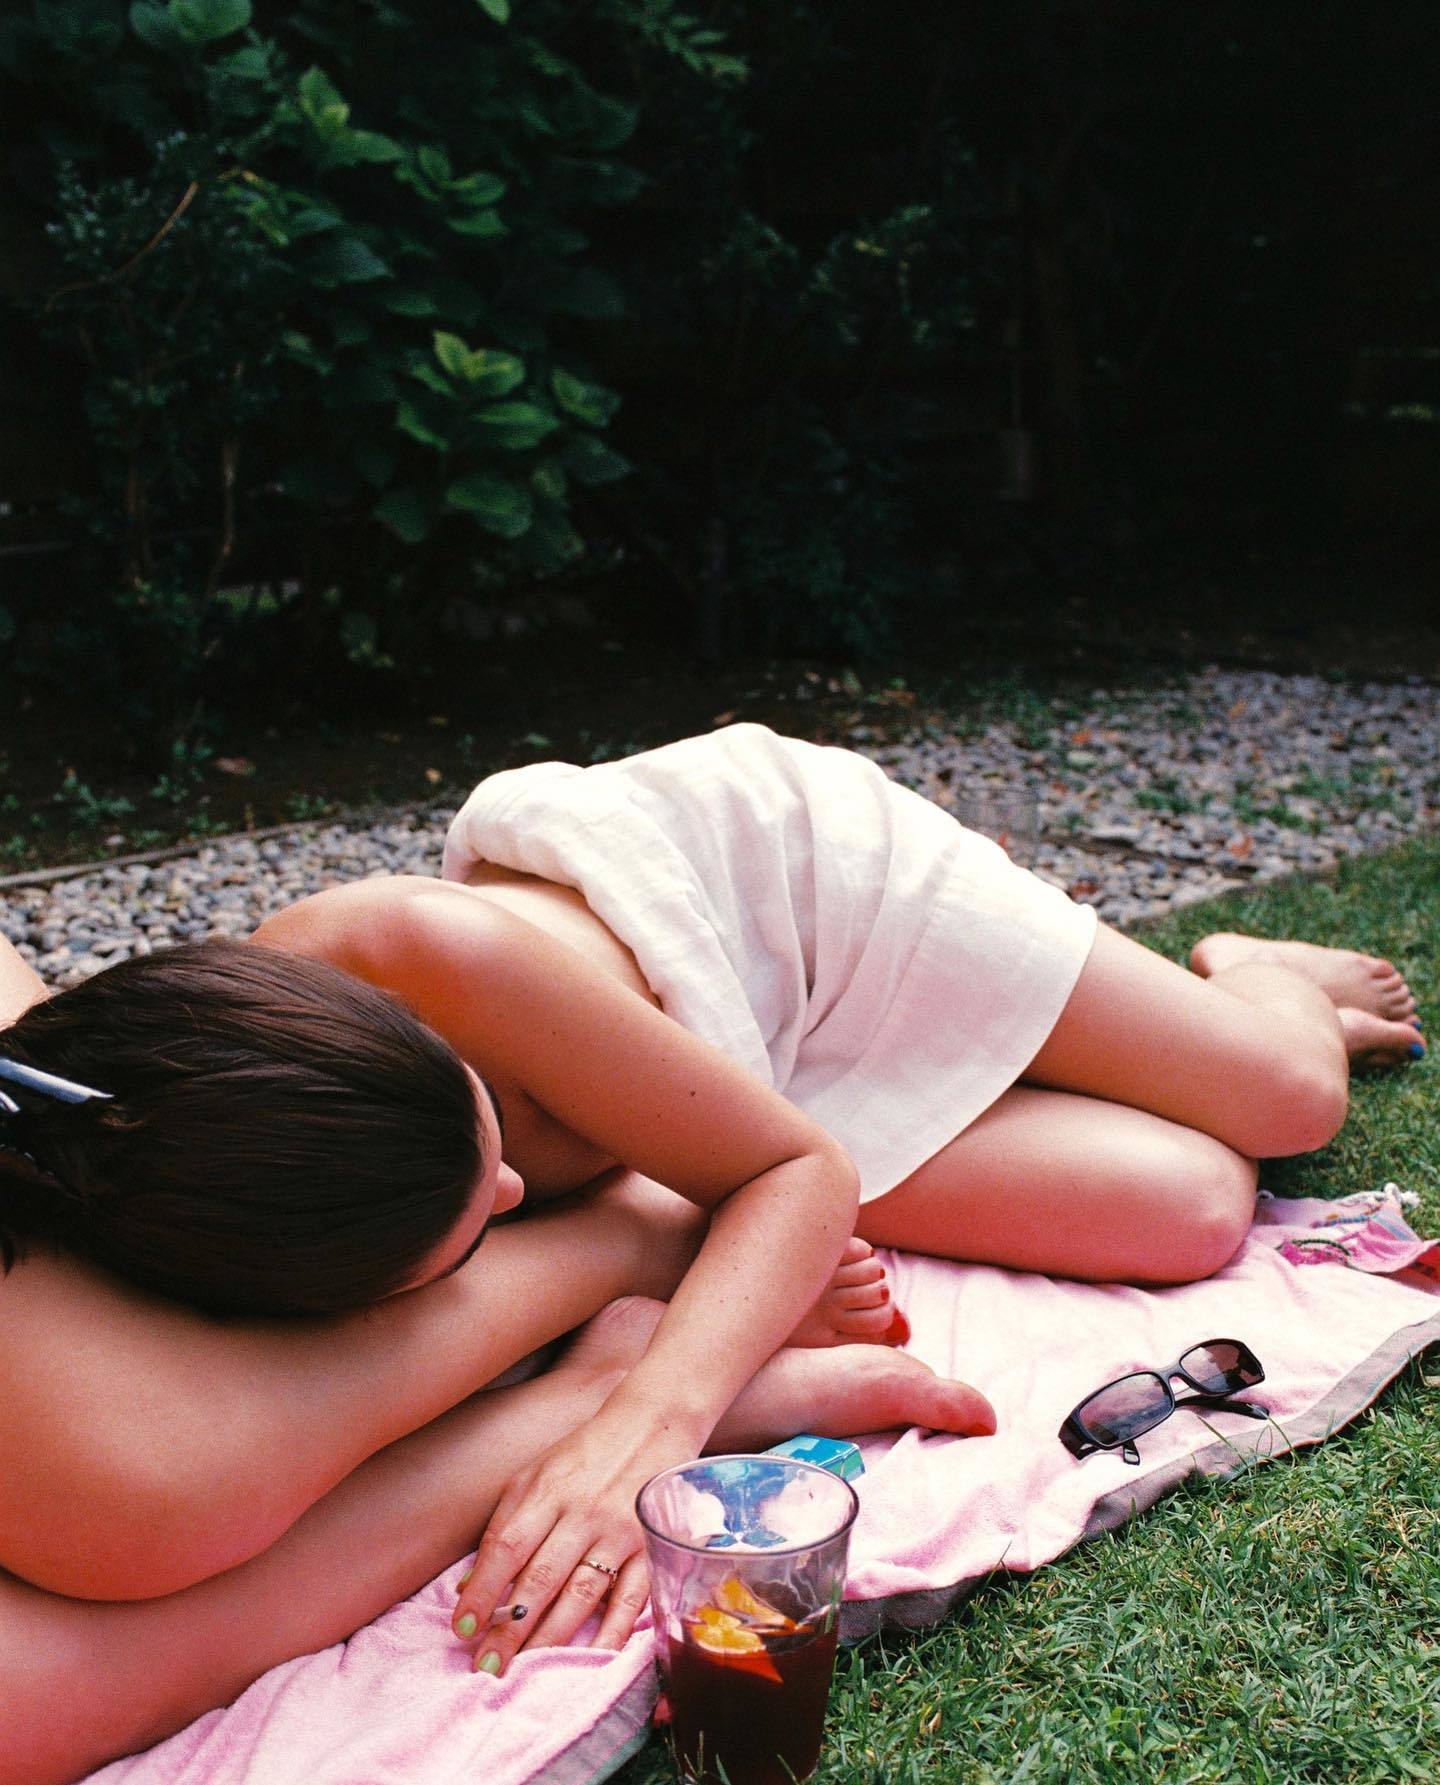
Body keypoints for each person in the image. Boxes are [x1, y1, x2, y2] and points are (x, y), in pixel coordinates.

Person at [0, 725, 1422, 1782]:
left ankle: (1256, 972)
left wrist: (651, 1418)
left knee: (1285, 1101)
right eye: (483, 1227)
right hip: (732, 1079)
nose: (512, 1191)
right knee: (1184, 1206)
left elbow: (801, 1170)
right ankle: (946, 1082)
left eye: (500, 1155)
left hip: (804, 899)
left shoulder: (420, 956)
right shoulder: (225, 1176)